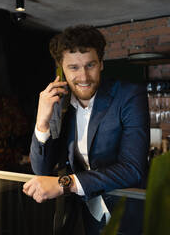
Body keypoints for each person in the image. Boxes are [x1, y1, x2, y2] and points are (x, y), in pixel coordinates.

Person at [23, 24, 150, 235]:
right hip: (85, 219)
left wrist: (65, 184)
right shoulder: (60, 104)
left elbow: (133, 169)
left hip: (130, 216)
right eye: (73, 67)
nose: (83, 77)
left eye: (90, 65)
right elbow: (42, 170)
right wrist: (42, 122)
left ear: (101, 63)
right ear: (61, 69)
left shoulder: (129, 96)